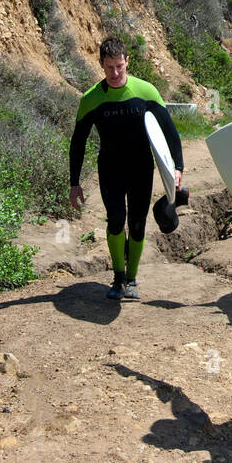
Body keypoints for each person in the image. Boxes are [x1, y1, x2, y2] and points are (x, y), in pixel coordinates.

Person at [69, 37, 183, 301]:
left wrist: (178, 167)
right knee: (116, 219)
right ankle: (118, 278)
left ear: (127, 61)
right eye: (109, 67)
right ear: (101, 64)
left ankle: (132, 279)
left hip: (141, 167)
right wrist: (74, 182)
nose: (115, 73)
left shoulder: (146, 92)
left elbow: (170, 133)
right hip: (110, 168)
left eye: (119, 66)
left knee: (138, 223)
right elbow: (78, 143)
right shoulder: (91, 99)